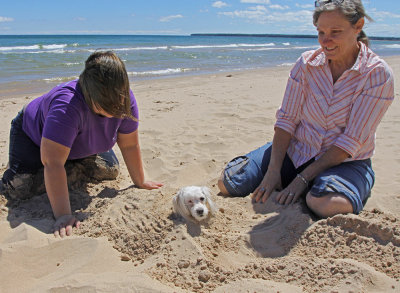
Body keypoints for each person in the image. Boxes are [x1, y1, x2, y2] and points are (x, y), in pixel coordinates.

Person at [218, 0, 394, 218]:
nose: (325, 41)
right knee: (229, 184)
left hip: (344, 161)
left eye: (335, 32)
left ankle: (341, 184)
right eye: (320, 32)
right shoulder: (306, 63)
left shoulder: (377, 74)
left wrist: (302, 180)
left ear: (357, 26)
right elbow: (287, 119)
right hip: (297, 151)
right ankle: (294, 178)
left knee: (325, 204)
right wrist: (273, 171)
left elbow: (351, 140)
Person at [1, 51, 163, 237]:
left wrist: (140, 181)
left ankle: (67, 162)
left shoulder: (124, 99)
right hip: (33, 137)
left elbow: (128, 145)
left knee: (109, 170)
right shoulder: (67, 105)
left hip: (76, 143)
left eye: (119, 104)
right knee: (19, 189)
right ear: (90, 94)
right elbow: (53, 163)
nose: (117, 111)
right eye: (107, 107)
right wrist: (63, 215)